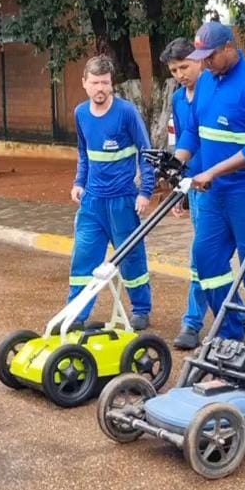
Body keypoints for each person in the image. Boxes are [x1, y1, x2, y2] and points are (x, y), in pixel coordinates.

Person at [174, 21, 245, 354]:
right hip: (214, 193)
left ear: (230, 48)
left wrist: (212, 172)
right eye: (201, 58)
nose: (205, 63)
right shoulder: (206, 81)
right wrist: (177, 162)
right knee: (206, 259)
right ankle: (230, 336)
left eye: (211, 56)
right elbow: (192, 131)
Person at [159, 38, 245, 350]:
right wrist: (179, 187)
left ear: (200, 61)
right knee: (208, 256)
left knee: (206, 255)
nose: (180, 75)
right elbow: (186, 140)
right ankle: (230, 312)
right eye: (174, 70)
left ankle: (196, 321)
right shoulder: (178, 99)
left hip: (222, 185)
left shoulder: (215, 92)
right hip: (195, 186)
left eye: (184, 67)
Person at [67, 55, 155, 331]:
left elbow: (146, 152)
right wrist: (79, 182)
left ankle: (141, 309)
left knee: (131, 257)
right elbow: (84, 153)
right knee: (83, 258)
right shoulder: (80, 113)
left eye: (105, 82)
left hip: (123, 200)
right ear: (84, 83)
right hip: (92, 202)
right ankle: (76, 314)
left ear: (111, 83)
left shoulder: (126, 112)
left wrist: (145, 192)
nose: (100, 88)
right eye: (95, 83)